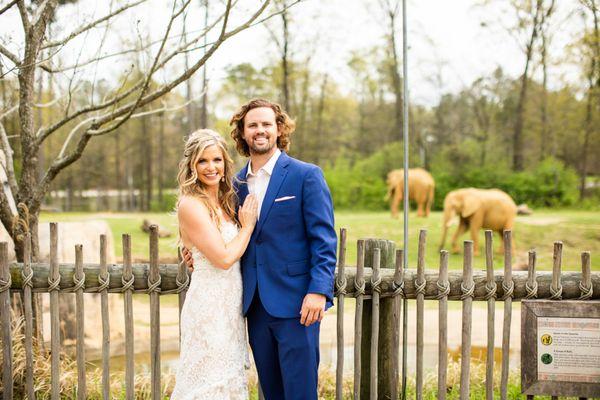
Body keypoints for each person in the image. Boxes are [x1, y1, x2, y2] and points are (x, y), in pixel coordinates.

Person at [230, 98, 337, 400]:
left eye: (266, 124)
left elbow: (324, 240)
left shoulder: (306, 175)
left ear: (278, 130)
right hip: (255, 305)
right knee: (272, 392)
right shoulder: (234, 183)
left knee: (300, 393)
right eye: (252, 125)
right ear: (243, 133)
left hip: (298, 305)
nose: (260, 130)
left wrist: (318, 290)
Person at [171, 129, 258, 400]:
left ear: (225, 163)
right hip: (208, 307)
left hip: (230, 306)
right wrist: (247, 227)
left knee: (228, 379)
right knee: (207, 383)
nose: (211, 167)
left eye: (217, 160)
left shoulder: (226, 201)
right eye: (203, 161)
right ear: (191, 166)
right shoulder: (191, 205)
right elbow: (221, 259)